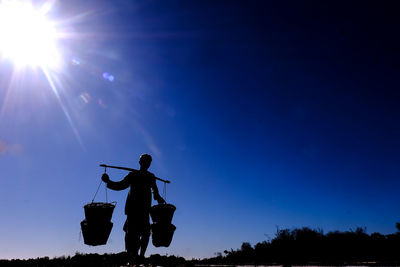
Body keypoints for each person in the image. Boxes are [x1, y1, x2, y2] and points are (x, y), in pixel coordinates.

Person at [101, 154, 165, 264]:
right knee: (131, 236)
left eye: (149, 161)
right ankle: (132, 257)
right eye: (145, 161)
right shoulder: (133, 175)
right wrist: (108, 182)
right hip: (132, 210)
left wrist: (159, 198)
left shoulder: (150, 177)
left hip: (145, 210)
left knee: (146, 234)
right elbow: (120, 185)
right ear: (140, 162)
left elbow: (155, 192)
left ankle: (141, 256)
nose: (147, 163)